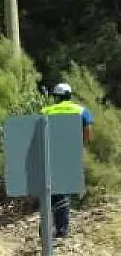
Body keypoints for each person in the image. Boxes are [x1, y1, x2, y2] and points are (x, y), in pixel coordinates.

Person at [41, 82, 93, 238]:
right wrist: (79, 146)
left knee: (50, 190)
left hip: (50, 154)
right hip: (70, 154)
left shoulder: (46, 110)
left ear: (56, 97)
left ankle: (45, 228)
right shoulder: (81, 111)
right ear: (69, 96)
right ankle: (61, 230)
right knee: (63, 191)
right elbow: (88, 133)